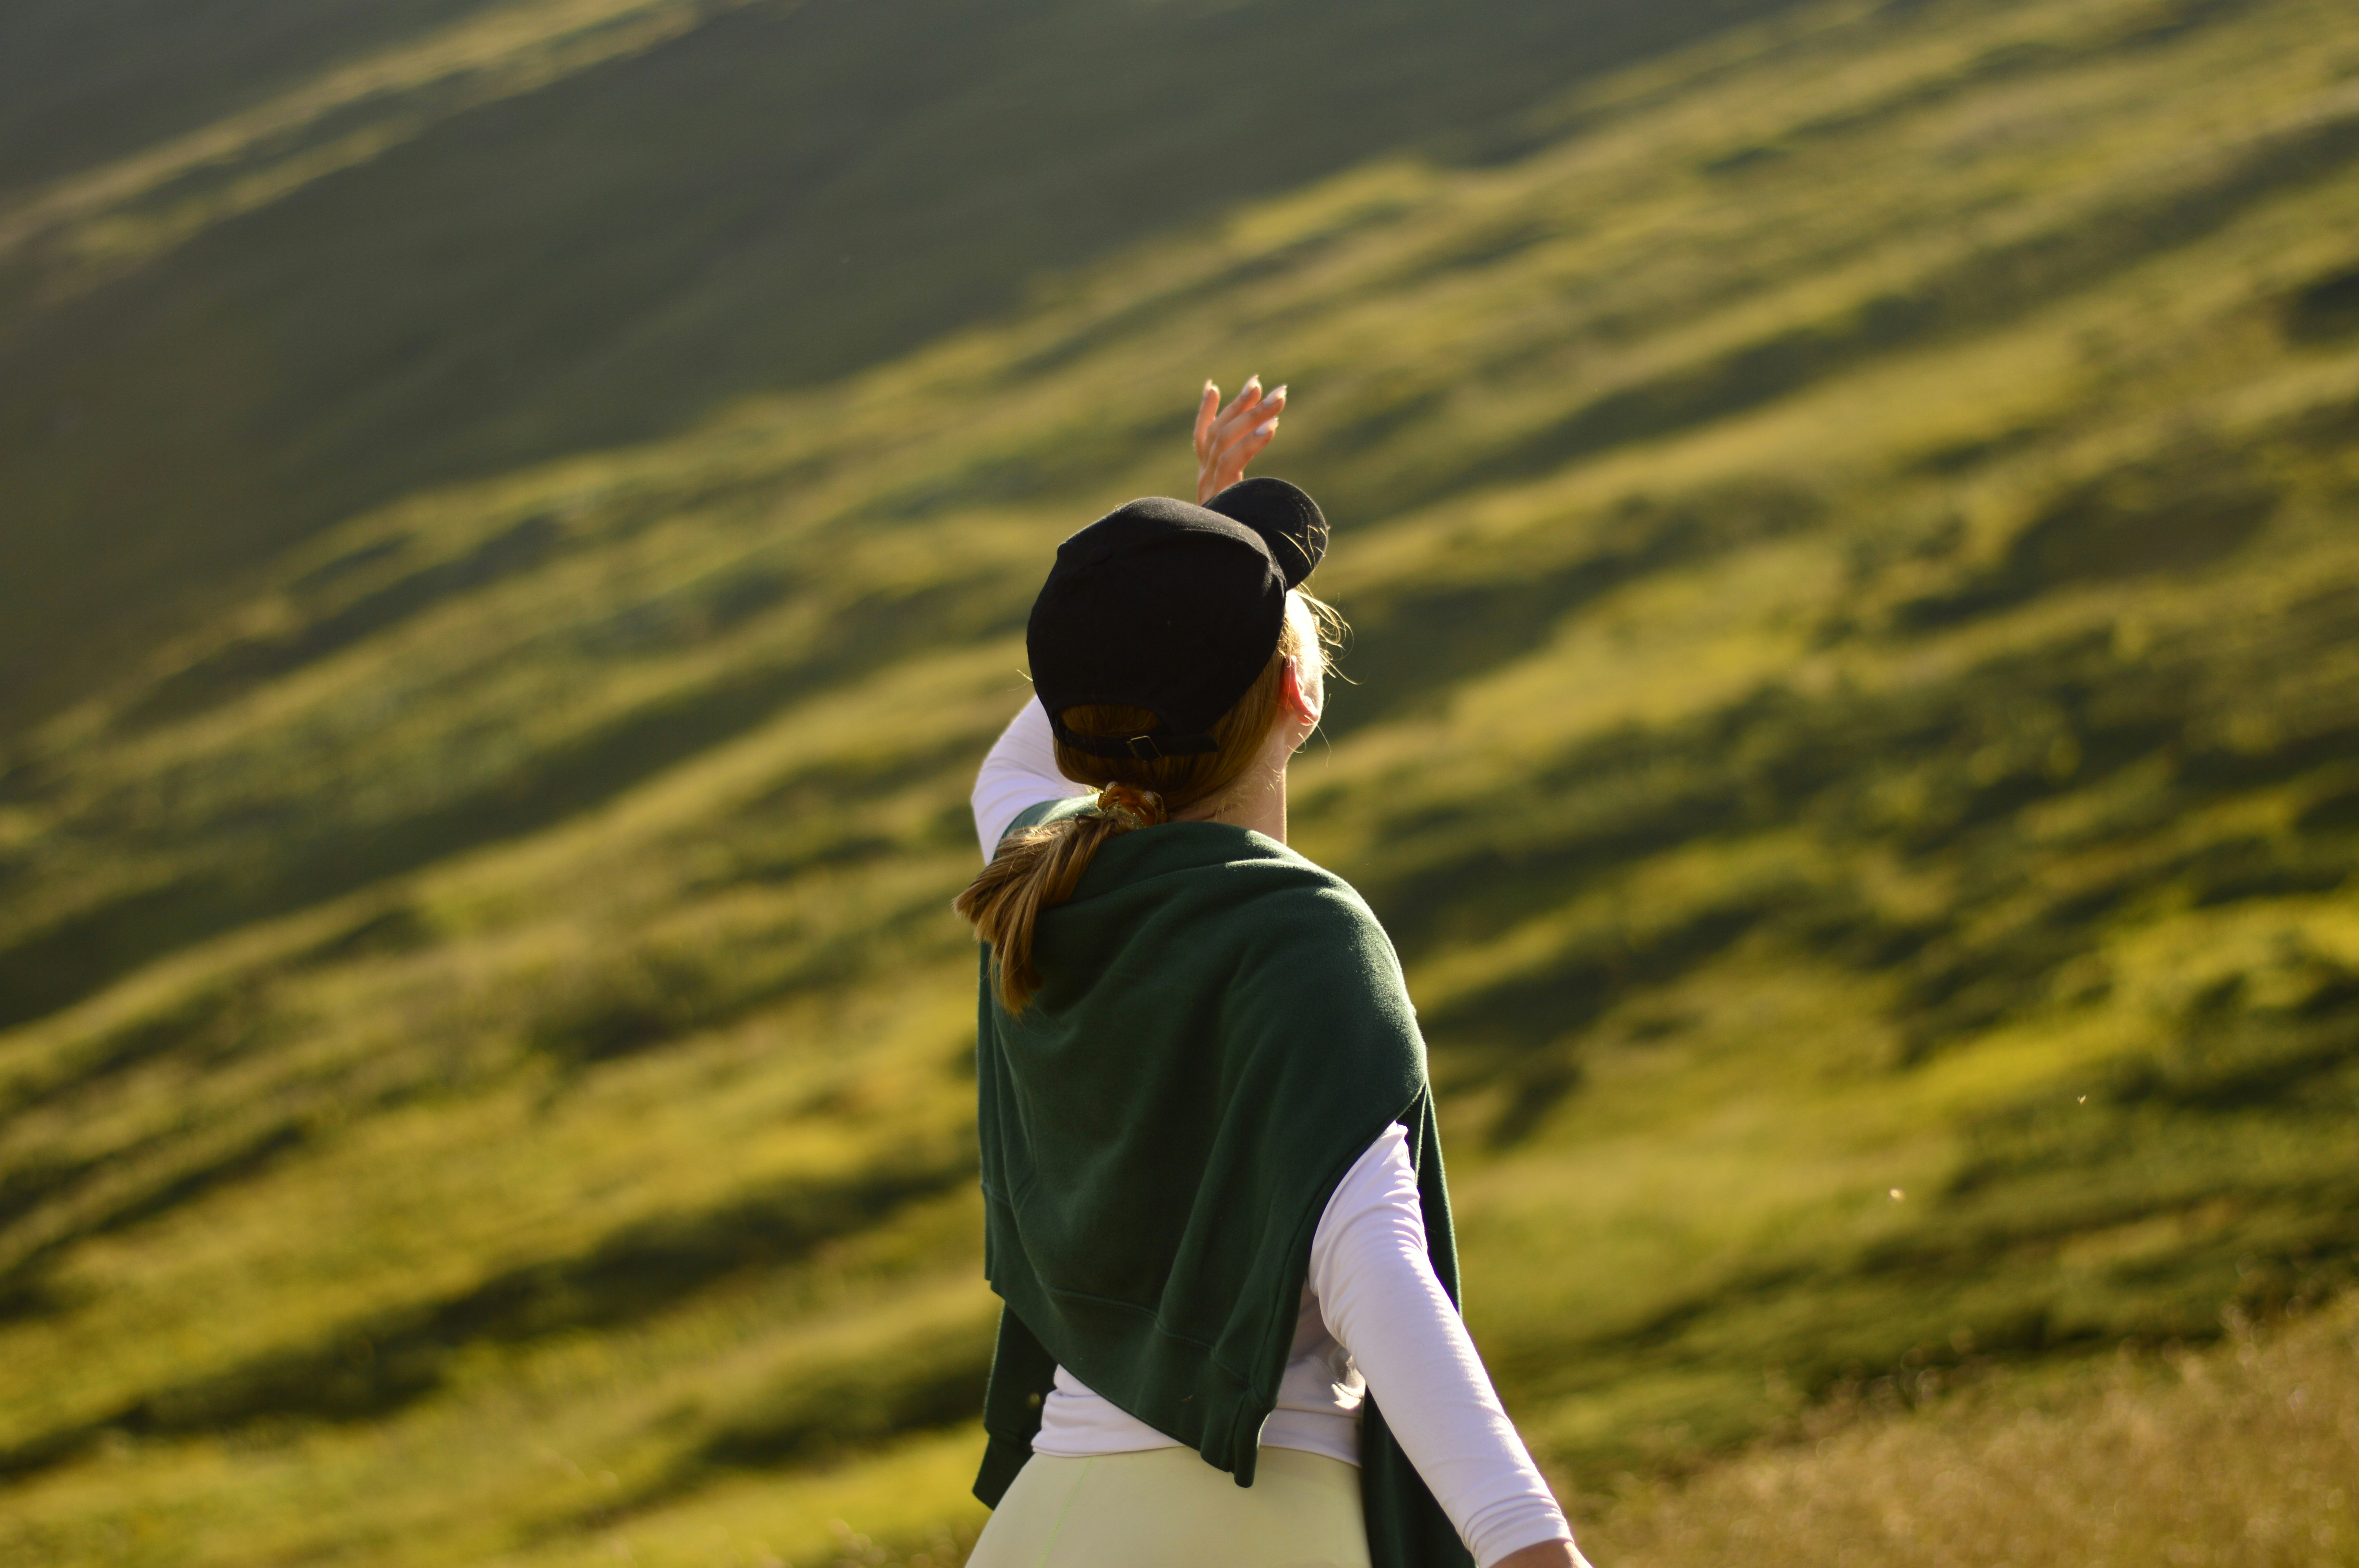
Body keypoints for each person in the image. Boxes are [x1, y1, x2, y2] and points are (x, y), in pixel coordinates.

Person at [955, 379, 1592, 1568]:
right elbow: (1376, 1269)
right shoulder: (1300, 933)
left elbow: (1040, 740)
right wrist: (1530, 1548)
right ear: (1302, 696)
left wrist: (1182, 569)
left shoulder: (1038, 877)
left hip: (1040, 1533)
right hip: (1250, 1533)